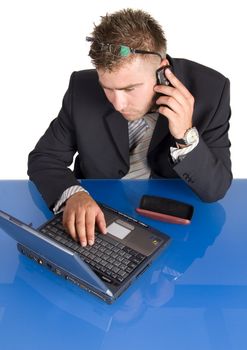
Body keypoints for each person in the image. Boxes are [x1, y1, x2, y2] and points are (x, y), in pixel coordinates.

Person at [28, 8, 232, 247]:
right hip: (98, 222)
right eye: (108, 88)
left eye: (129, 89)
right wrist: (73, 195)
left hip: (173, 227)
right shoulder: (81, 88)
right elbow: (44, 158)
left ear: (162, 70)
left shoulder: (211, 91)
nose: (118, 103)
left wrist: (186, 137)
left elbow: (215, 190)